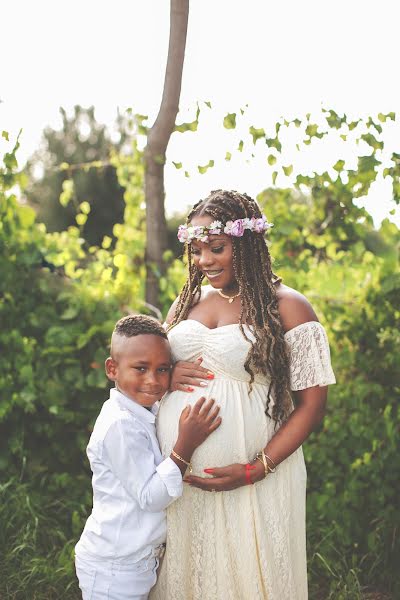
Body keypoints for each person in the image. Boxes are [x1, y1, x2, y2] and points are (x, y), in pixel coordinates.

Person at [150, 190, 336, 600]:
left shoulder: (289, 307)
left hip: (254, 474)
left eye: (216, 248)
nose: (204, 261)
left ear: (247, 242)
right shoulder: (186, 303)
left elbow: (312, 405)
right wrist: (167, 374)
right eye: (196, 250)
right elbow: (146, 369)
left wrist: (255, 468)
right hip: (179, 475)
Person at [75, 314, 221, 600]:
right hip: (113, 566)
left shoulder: (142, 409)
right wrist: (186, 445)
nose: (153, 380)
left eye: (162, 369)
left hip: (135, 561)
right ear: (112, 369)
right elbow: (151, 497)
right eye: (141, 368)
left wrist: (171, 379)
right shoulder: (120, 424)